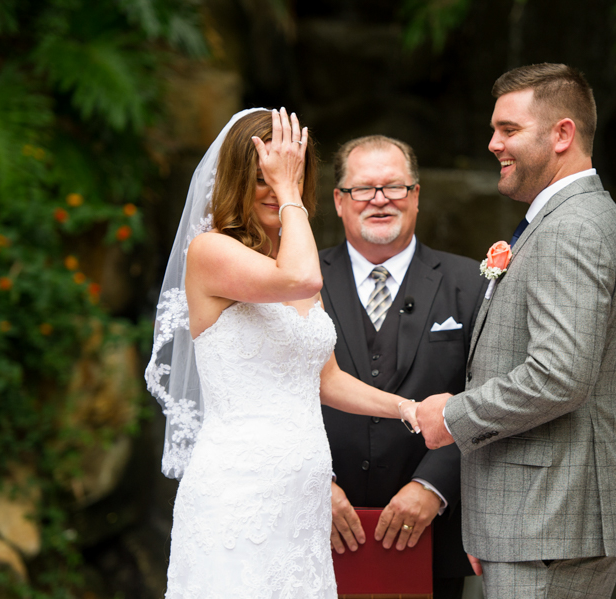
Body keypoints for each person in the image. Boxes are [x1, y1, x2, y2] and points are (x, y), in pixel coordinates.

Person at [145, 108, 420, 599]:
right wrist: (290, 189)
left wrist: (408, 410)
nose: (276, 191)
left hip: (300, 503)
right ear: (234, 181)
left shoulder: (281, 259)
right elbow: (303, 278)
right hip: (238, 497)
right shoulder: (211, 252)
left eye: (289, 179)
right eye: (262, 180)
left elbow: (325, 379)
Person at [415, 63, 616, 598]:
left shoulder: (571, 229)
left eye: (509, 130)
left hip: (550, 515)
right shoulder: (575, 217)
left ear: (562, 134)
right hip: (536, 515)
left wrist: (453, 416)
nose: (493, 143)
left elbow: (560, 375)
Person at [319, 135, 485, 598]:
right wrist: (313, 484)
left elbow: (489, 396)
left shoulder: (472, 284)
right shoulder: (297, 282)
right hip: (313, 529)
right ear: (338, 200)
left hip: (435, 534)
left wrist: (434, 486)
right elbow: (270, 397)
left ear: (416, 194)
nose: (379, 200)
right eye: (363, 188)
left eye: (393, 187)